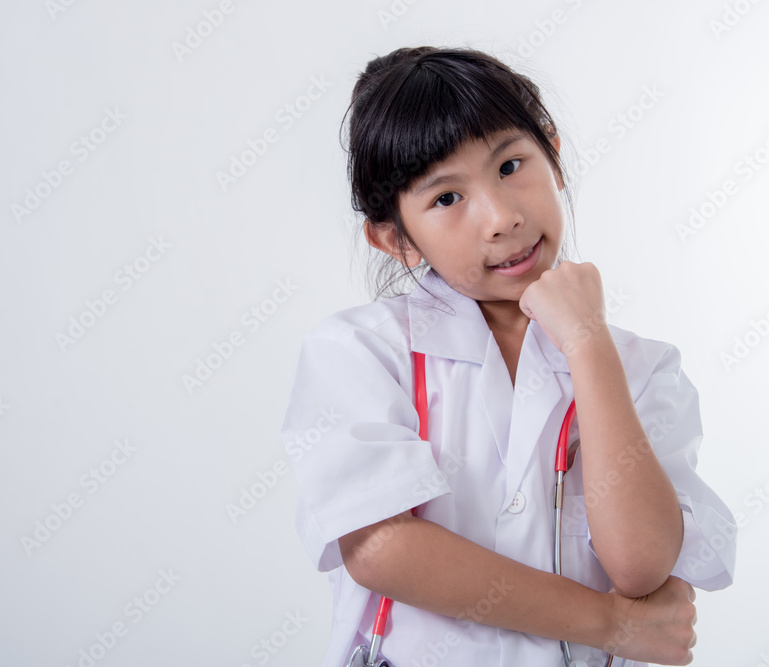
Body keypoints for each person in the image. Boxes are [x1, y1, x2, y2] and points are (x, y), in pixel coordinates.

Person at [279, 46, 736, 667]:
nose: (501, 217)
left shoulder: (641, 368)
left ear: (553, 154)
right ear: (395, 239)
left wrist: (588, 343)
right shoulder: (360, 351)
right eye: (446, 198)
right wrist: (610, 624)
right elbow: (383, 547)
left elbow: (640, 562)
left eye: (512, 164)